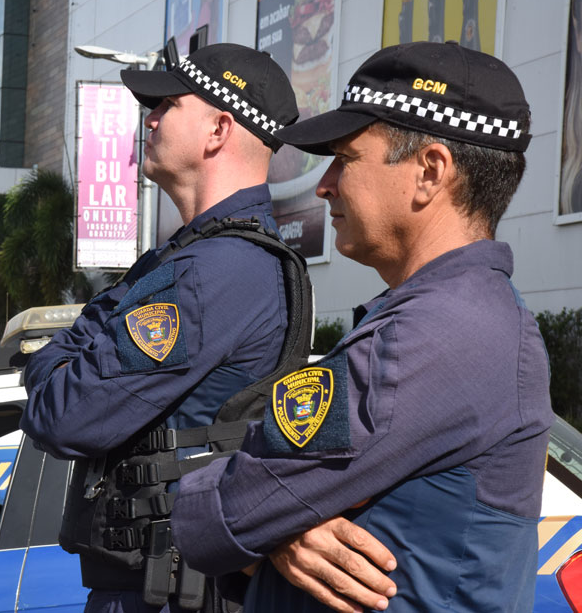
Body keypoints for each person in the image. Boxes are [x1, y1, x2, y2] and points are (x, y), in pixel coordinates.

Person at [169, 41, 552, 611]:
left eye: (345, 159)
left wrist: (263, 521)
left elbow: (239, 500)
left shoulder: (436, 333)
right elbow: (266, 495)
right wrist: (278, 531)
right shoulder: (455, 317)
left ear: (429, 171)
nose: (324, 186)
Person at [21, 43, 305, 612]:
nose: (148, 118)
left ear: (218, 130)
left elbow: (62, 413)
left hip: (168, 593)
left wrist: (46, 358)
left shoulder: (211, 272)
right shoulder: (190, 259)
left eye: (166, 104)